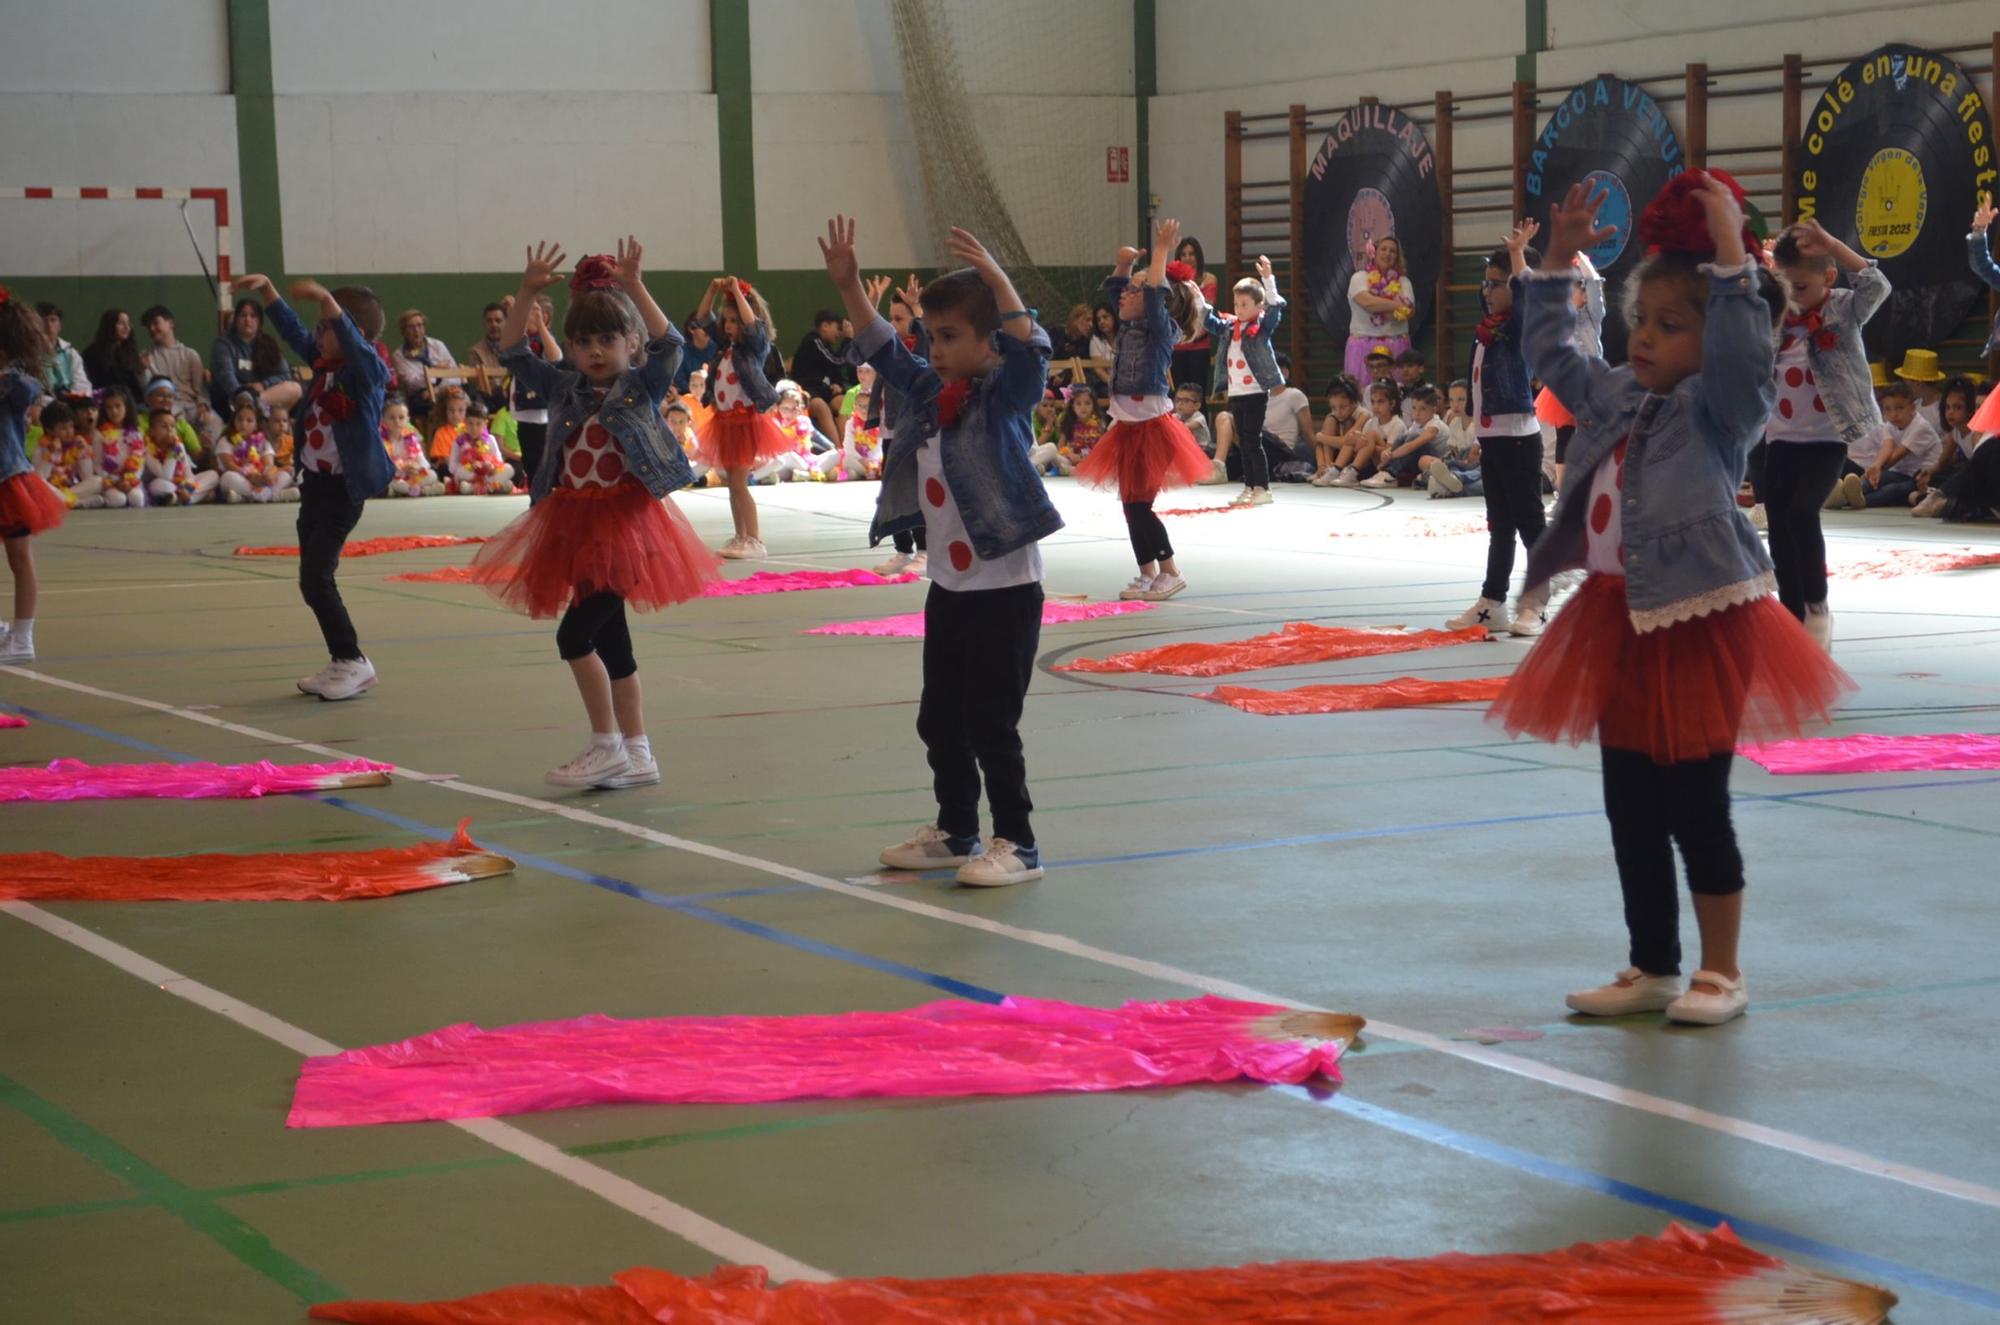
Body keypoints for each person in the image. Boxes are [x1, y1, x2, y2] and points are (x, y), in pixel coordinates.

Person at [1489, 172, 1850, 1028]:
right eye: (1639, 322)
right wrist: (1556, 254)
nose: (1644, 337)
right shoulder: (1613, 393)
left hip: (1700, 623)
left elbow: (1742, 351)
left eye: (1669, 325)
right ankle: (1653, 961)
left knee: (1696, 803)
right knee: (1630, 806)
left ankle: (1721, 971)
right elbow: (1550, 352)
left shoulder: (1721, 409)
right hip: (1615, 622)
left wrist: (1730, 256)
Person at [821, 214, 1060, 888]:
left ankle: (1018, 839)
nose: (935, 349)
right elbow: (883, 350)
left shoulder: (1006, 400)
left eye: (951, 336)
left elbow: (1030, 349)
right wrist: (849, 289)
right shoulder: (930, 394)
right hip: (950, 591)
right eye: (932, 335)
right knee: (939, 717)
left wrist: (997, 279)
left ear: (989, 342)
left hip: (1005, 592)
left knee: (992, 721)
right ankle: (958, 828)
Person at [468, 239, 719, 790]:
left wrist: (634, 287)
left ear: (629, 342)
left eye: (608, 340)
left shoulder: (639, 387)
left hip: (626, 530)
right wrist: (528, 289)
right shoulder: (565, 386)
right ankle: (638, 752)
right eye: (584, 342)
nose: (596, 351)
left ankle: (605, 744)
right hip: (575, 527)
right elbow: (512, 352)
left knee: (573, 637)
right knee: (614, 645)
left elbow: (671, 344)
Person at [233, 273, 392, 702]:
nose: (317, 336)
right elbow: (293, 332)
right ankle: (341, 660)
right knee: (310, 581)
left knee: (318, 577)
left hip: (343, 493)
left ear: (351, 333)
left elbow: (358, 351)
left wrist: (329, 303)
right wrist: (268, 292)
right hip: (315, 488)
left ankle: (354, 660)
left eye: (326, 328)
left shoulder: (366, 373)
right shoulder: (324, 364)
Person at [1761, 218, 1888, 647]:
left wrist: (1834, 241)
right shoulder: (1777, 311)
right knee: (1777, 523)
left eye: (1800, 288)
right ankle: (1791, 610)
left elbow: (1877, 286)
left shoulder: (1842, 307)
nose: (1792, 298)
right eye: (1785, 287)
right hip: (1779, 440)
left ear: (1828, 278)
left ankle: (1817, 605)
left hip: (1826, 441)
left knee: (1801, 513)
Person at [1073, 219, 1213, 601]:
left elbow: (1152, 293)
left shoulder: (1159, 328)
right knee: (1130, 506)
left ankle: (1170, 570)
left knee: (1140, 506)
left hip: (1152, 431)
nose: (1123, 297)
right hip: (1127, 430)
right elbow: (1122, 288)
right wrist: (1122, 268)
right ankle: (1147, 572)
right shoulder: (1129, 327)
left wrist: (1162, 250)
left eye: (1134, 292)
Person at [1446, 222, 1547, 636]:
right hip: (1493, 439)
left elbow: (1528, 297)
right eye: (1484, 284)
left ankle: (1537, 604)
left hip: (1519, 438)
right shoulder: (1486, 333)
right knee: (1500, 524)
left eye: (1495, 284)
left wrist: (1520, 255)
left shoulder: (1522, 327)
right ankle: (1493, 601)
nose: (1486, 292)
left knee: (1530, 523)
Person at [693, 276, 786, 559]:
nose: (730, 326)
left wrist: (735, 291)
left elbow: (753, 328)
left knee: (739, 483)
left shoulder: (754, 349)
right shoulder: (725, 347)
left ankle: (754, 539)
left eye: (735, 321)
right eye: (727, 321)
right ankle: (740, 535)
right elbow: (701, 319)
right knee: (733, 484)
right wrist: (711, 291)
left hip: (745, 423)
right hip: (724, 423)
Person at [0, 291, 64, 663]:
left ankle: (23, 636)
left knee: (19, 558)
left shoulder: (14, 381)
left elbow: (30, 389)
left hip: (8, 481)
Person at [1204, 255, 1287, 506]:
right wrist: (1200, 299)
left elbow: (1275, 309)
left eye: (1244, 304)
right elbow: (1210, 322)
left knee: (1252, 439)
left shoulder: (1261, 328)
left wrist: (1268, 280)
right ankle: (1249, 486)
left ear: (1258, 307)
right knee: (1243, 441)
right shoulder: (1230, 328)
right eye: (1236, 304)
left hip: (1255, 392)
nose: (1239, 309)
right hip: (1237, 392)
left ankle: (1262, 487)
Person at [868, 275, 931, 577]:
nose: (893, 324)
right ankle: (902, 549)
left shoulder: (921, 350)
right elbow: (869, 336)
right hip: (890, 427)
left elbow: (927, 338)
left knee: (916, 490)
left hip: (914, 428)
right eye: (889, 318)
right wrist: (871, 303)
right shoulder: (891, 347)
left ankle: (926, 550)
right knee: (891, 488)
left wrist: (917, 310)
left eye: (899, 318)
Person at [1532, 253, 1606, 489]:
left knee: (1592, 436)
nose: (1580, 292)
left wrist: (1580, 257)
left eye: (1579, 287)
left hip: (1592, 383)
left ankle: (1591, 488)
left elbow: (1594, 283)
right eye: (1573, 288)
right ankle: (1563, 494)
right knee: (1565, 437)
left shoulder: (1593, 316)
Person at [1828, 383, 1940, 510]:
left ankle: (1851, 500)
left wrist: (1875, 471)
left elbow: (1899, 453)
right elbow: (1887, 446)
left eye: (1899, 408)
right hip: (1901, 473)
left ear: (1913, 408)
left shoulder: (1920, 427)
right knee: (1878, 479)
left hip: (1923, 477)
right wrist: (1876, 466)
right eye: (1888, 409)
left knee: (1892, 490)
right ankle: (1845, 495)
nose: (1894, 414)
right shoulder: (1889, 425)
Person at [210, 296, 301, 416]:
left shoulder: (269, 343)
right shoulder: (223, 344)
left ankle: (255, 406)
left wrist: (263, 384)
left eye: (253, 316)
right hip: (232, 400)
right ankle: (253, 409)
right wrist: (243, 393)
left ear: (259, 321)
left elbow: (285, 374)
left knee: (295, 388)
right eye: (243, 315)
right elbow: (226, 376)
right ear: (236, 319)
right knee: (244, 400)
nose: (248, 320)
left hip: (263, 400)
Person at [1344, 235, 1416, 383]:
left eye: (1392, 251)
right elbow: (1368, 303)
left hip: (1396, 344)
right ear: (1374, 253)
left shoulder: (1404, 282)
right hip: (1363, 346)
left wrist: (1385, 305)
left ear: (1397, 256)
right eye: (1383, 249)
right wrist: (1397, 305)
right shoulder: (1359, 278)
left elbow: (1408, 311)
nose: (1388, 253)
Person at [139, 305, 216, 440]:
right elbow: (149, 391)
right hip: (167, 406)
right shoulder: (147, 357)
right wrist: (143, 370)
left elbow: (201, 389)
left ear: (170, 324)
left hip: (192, 405)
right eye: (148, 326)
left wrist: (203, 405)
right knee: (176, 421)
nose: (152, 329)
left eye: (156, 323)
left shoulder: (190, 354)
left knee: (214, 422)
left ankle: (213, 459)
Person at [789, 310, 853, 443]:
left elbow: (835, 370)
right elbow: (836, 360)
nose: (839, 333)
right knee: (821, 406)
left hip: (823, 390)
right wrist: (848, 340)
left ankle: (846, 447)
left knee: (845, 402)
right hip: (806, 390)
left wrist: (838, 386)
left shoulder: (828, 347)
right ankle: (837, 450)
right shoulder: (813, 341)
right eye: (838, 328)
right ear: (825, 326)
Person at [216, 399, 296, 503]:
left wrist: (266, 475)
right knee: (227, 477)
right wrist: (249, 476)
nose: (243, 424)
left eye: (249, 420)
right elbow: (229, 465)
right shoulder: (226, 440)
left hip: (261, 480)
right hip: (241, 479)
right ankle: (273, 496)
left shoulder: (262, 442)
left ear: (256, 425)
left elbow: (268, 465)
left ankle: (243, 498)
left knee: (286, 475)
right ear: (234, 420)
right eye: (240, 419)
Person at [1369, 385, 1447, 488]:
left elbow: (1413, 445)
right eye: (1414, 408)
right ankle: (1385, 472)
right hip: (1416, 461)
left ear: (1434, 409)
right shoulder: (1417, 424)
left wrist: (1391, 455)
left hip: (1433, 462)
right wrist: (1387, 452)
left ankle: (1391, 473)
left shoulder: (1435, 425)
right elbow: (1403, 441)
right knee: (1402, 437)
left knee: (1414, 437)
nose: (1417, 413)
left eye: (1422, 409)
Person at [1169, 235, 1220, 390]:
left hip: (1199, 345)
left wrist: (1191, 337)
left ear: (1198, 256)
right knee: (1179, 393)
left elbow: (1205, 311)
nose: (1187, 258)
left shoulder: (1209, 279)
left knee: (1198, 393)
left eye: (1191, 254)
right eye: (1183, 254)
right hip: (1177, 346)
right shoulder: (1171, 282)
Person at [1328, 381, 1405, 485]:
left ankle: (1353, 471)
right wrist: (1360, 443)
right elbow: (1359, 449)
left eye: (1380, 402)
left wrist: (1371, 444)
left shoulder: (1397, 424)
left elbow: (1389, 454)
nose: (1376, 406)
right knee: (1353, 436)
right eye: (1373, 402)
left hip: (1387, 467)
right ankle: (1336, 470)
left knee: (1371, 435)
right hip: (1369, 466)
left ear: (1392, 404)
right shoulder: (1371, 422)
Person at [389, 309, 459, 419]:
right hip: (420, 395)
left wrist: (439, 389)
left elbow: (455, 375)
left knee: (464, 397)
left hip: (445, 389)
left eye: (419, 325)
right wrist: (435, 370)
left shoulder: (437, 345)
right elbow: (412, 382)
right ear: (404, 331)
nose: (416, 330)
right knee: (432, 404)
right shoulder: (399, 355)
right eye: (411, 327)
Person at [33, 400, 103, 509]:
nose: (69, 431)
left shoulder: (76, 443)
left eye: (71, 426)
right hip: (51, 488)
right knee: (38, 485)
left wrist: (83, 451)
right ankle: (79, 503)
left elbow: (87, 476)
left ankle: (65, 500)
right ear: (50, 430)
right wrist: (52, 455)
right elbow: (40, 477)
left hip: (71, 489)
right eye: (63, 428)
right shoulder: (42, 447)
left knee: (98, 481)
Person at [1420, 379, 1482, 497]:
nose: (1455, 405)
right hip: (1462, 463)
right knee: (1426, 460)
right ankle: (1448, 480)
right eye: (1452, 400)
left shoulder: (1480, 423)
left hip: (1477, 465)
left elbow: (1478, 456)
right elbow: (1455, 453)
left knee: (1484, 479)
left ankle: (1448, 483)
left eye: (1461, 400)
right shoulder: (1454, 423)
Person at [143, 406, 214, 506]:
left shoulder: (179, 445)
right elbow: (166, 476)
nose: (169, 430)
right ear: (152, 431)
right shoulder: (146, 450)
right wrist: (173, 449)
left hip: (181, 485)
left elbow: (188, 474)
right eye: (164, 426)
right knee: (159, 485)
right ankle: (195, 496)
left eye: (172, 426)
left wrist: (187, 488)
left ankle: (185, 498)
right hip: (162, 483)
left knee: (212, 475)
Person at [449, 398, 516, 494]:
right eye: (470, 423)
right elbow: (452, 467)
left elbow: (499, 460)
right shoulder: (459, 441)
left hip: (488, 474)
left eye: (478, 424)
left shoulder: (490, 439)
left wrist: (490, 466)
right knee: (460, 472)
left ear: (485, 423)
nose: (474, 428)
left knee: (509, 469)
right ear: (465, 422)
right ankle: (493, 486)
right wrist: (471, 466)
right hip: (470, 473)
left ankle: (475, 488)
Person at [95, 385, 147, 508]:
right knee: (118, 500)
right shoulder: (100, 434)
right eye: (109, 408)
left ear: (126, 407)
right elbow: (97, 464)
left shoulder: (136, 432)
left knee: (137, 498)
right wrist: (114, 480)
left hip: (131, 479)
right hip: (110, 480)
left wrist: (130, 479)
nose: (114, 411)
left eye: (118, 406)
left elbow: (140, 461)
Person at [381, 398, 444, 497]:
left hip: (412, 476)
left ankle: (403, 491)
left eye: (401, 417)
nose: (397, 421)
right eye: (392, 418)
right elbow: (382, 465)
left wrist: (417, 468)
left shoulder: (412, 438)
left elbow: (422, 460)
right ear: (383, 420)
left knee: (432, 474)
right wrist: (400, 469)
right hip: (393, 477)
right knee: (384, 481)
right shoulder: (380, 440)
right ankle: (420, 490)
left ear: (407, 420)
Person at [82, 308, 148, 400]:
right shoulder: (92, 354)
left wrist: (143, 369)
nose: (127, 327)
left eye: (128, 323)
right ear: (110, 326)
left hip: (133, 404)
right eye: (121, 323)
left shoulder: (131, 353)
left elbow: (139, 388)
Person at [1310, 374, 1365, 484]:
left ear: (1354, 402)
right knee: (1329, 421)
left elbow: (1346, 441)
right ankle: (1326, 469)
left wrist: (1321, 436)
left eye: (1343, 407)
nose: (1338, 412)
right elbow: (1319, 445)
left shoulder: (1363, 414)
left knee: (1323, 438)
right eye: (1333, 407)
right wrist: (1321, 464)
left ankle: (1334, 470)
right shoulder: (1333, 417)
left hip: (1355, 460)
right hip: (1335, 459)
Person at [35, 303, 92, 399]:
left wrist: (71, 398)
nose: (49, 325)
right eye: (43, 320)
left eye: (53, 320)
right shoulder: (30, 353)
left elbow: (81, 384)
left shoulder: (70, 353)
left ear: (60, 325)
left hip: (69, 402)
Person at [1891, 349, 1946, 433]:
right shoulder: (1916, 404)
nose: (1905, 387)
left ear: (1918, 382)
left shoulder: (1942, 410)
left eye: (1906, 382)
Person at [673, 317, 719, 393]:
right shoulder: (681, 350)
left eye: (709, 327)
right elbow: (679, 380)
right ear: (691, 329)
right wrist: (697, 392)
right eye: (703, 327)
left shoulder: (717, 349)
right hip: (688, 396)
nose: (707, 330)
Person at [1392, 348, 1433, 422]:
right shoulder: (1396, 390)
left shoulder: (1430, 390)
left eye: (1410, 366)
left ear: (1421, 368)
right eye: (1401, 367)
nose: (1405, 370)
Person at [1173, 380, 1213, 455]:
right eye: (1178, 400)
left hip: (1203, 450)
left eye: (1186, 400)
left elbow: (1184, 428)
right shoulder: (1177, 415)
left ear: (1196, 406)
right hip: (1188, 448)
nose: (1180, 403)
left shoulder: (1199, 418)